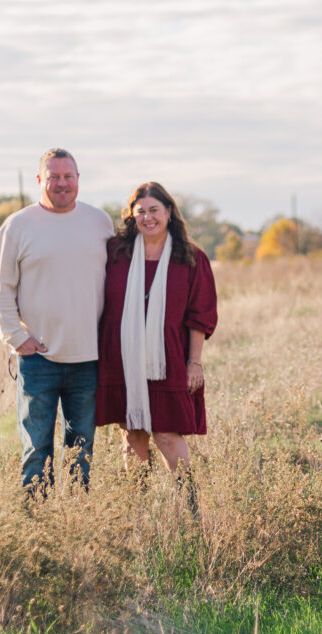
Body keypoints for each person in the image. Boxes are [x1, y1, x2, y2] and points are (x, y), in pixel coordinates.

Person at [0, 148, 115, 494]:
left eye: (68, 177)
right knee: (36, 452)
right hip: (38, 359)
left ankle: (75, 525)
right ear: (39, 180)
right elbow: (1, 288)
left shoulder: (99, 222)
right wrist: (16, 337)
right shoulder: (17, 226)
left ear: (78, 180)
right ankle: (38, 530)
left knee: (81, 452)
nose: (62, 184)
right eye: (53, 177)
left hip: (88, 358)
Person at [95, 182, 217, 480]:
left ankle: (189, 505)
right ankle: (137, 508)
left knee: (166, 434)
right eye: (141, 211)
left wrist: (194, 362)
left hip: (169, 358)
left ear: (169, 213)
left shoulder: (190, 258)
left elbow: (199, 315)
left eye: (154, 210)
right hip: (120, 357)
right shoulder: (115, 253)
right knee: (133, 433)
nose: (148, 218)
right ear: (131, 215)